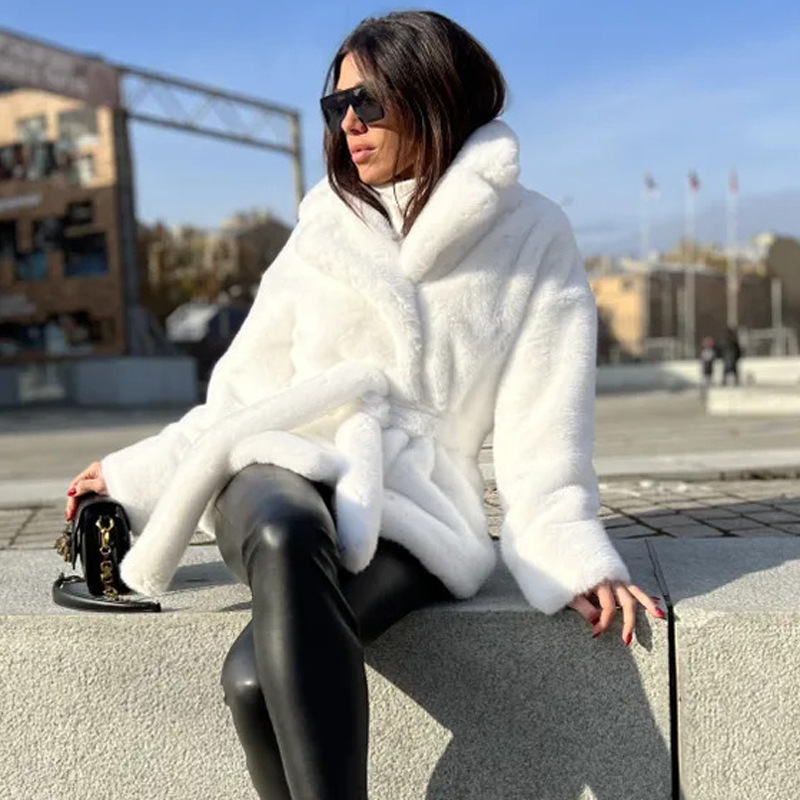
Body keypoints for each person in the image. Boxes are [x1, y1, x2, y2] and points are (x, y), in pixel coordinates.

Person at [65, 11, 664, 799]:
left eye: (369, 102)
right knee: (284, 531)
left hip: (419, 505)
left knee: (253, 680)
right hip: (279, 461)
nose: (348, 123)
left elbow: (543, 421)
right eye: (336, 105)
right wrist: (132, 473)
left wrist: (571, 550)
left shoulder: (530, 232)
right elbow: (243, 395)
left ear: (435, 95)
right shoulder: (324, 224)